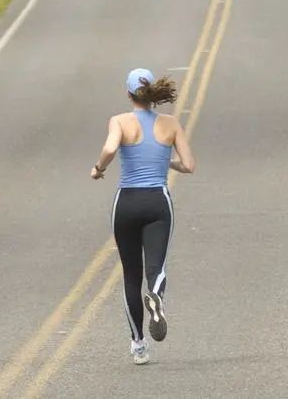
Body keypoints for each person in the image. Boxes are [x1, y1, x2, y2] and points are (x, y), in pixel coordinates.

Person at [91, 68, 196, 365]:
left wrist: (99, 169)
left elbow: (111, 147)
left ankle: (138, 344)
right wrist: (166, 160)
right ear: (152, 95)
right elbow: (189, 165)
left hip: (126, 202)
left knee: (130, 274)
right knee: (155, 266)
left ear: (128, 94)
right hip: (157, 203)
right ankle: (156, 295)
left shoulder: (120, 122)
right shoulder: (170, 124)